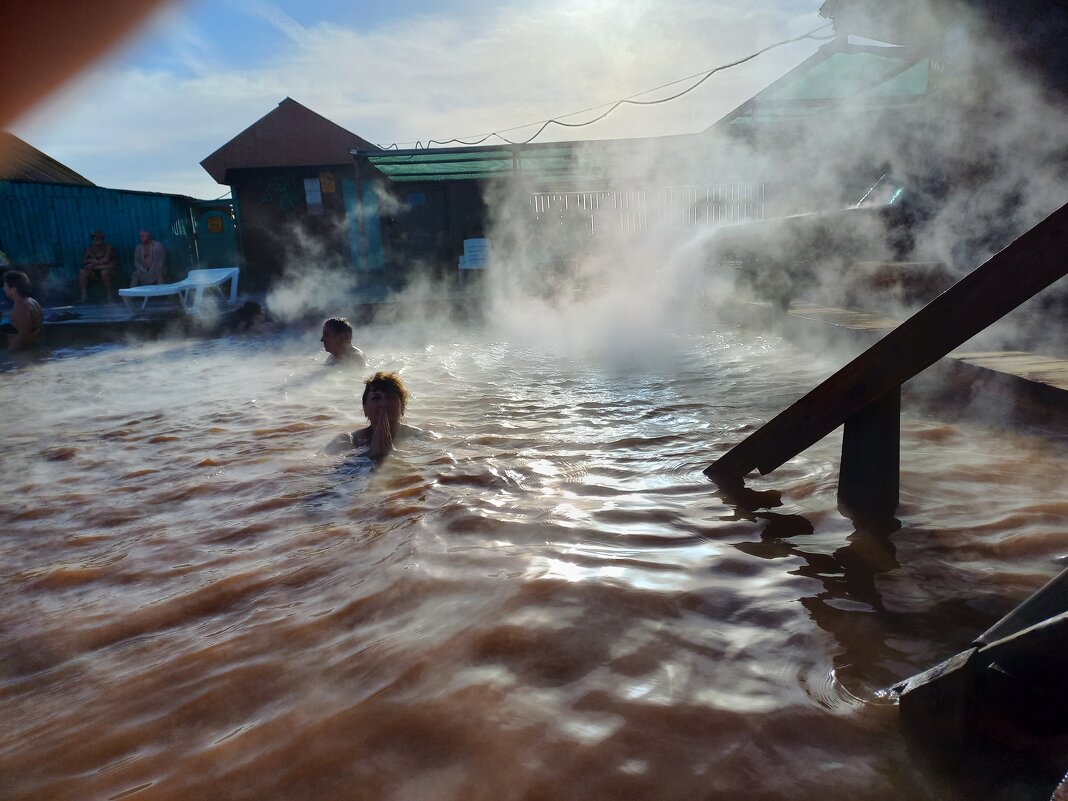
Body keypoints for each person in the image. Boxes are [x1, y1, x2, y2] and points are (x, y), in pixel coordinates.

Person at [326, 371, 423, 459]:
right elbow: (324, 472)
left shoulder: (420, 437)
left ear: (402, 407)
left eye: (390, 397)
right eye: (376, 398)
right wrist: (370, 454)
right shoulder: (347, 442)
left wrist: (392, 455)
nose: (384, 404)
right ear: (365, 408)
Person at [2, 270, 43, 350]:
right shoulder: (32, 301)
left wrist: (11, 355)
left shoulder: (21, 307)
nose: (3, 288)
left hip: (25, 354)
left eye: (5, 286)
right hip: (35, 350)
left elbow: (22, 337)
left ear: (13, 289)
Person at [78, 230, 117, 302]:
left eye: (99, 239)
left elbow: (106, 260)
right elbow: (83, 260)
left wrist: (93, 264)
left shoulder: (108, 247)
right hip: (95, 273)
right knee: (82, 272)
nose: (97, 241)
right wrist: (91, 260)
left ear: (102, 239)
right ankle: (84, 295)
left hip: (107, 270)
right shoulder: (90, 249)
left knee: (104, 272)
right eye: (95, 239)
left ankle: (109, 295)